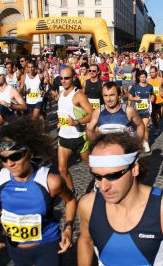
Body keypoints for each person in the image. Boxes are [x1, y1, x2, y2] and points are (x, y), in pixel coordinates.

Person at [77, 132, 163, 266]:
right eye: (97, 176)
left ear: (134, 169)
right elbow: (85, 239)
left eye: (113, 176)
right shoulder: (88, 205)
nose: (104, 187)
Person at [0, 116, 76, 265]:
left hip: (47, 247)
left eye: (16, 156)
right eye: (3, 159)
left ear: (30, 153)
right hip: (15, 249)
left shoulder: (51, 181)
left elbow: (70, 200)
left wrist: (69, 228)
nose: (10, 164)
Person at [57, 67, 93, 197]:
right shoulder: (61, 94)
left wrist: (76, 122)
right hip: (64, 137)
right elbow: (65, 114)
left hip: (78, 137)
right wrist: (60, 122)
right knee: (62, 169)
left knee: (92, 166)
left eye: (66, 78)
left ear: (73, 78)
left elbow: (92, 114)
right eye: (61, 78)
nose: (63, 80)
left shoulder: (78, 95)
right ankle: (72, 194)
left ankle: (100, 183)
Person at [128, 70, 154, 153]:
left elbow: (152, 95)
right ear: (139, 78)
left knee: (144, 126)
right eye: (141, 77)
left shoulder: (149, 86)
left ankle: (146, 143)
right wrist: (134, 98)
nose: (143, 78)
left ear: (146, 77)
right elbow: (129, 97)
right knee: (140, 127)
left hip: (146, 109)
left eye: (144, 77)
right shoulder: (135, 87)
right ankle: (139, 142)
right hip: (137, 110)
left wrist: (152, 98)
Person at [148, 66, 163, 136]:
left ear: (156, 72)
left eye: (152, 72)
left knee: (160, 117)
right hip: (152, 101)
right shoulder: (148, 80)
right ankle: (157, 129)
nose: (151, 74)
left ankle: (162, 114)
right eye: (150, 72)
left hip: (159, 101)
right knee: (153, 116)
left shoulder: (161, 80)